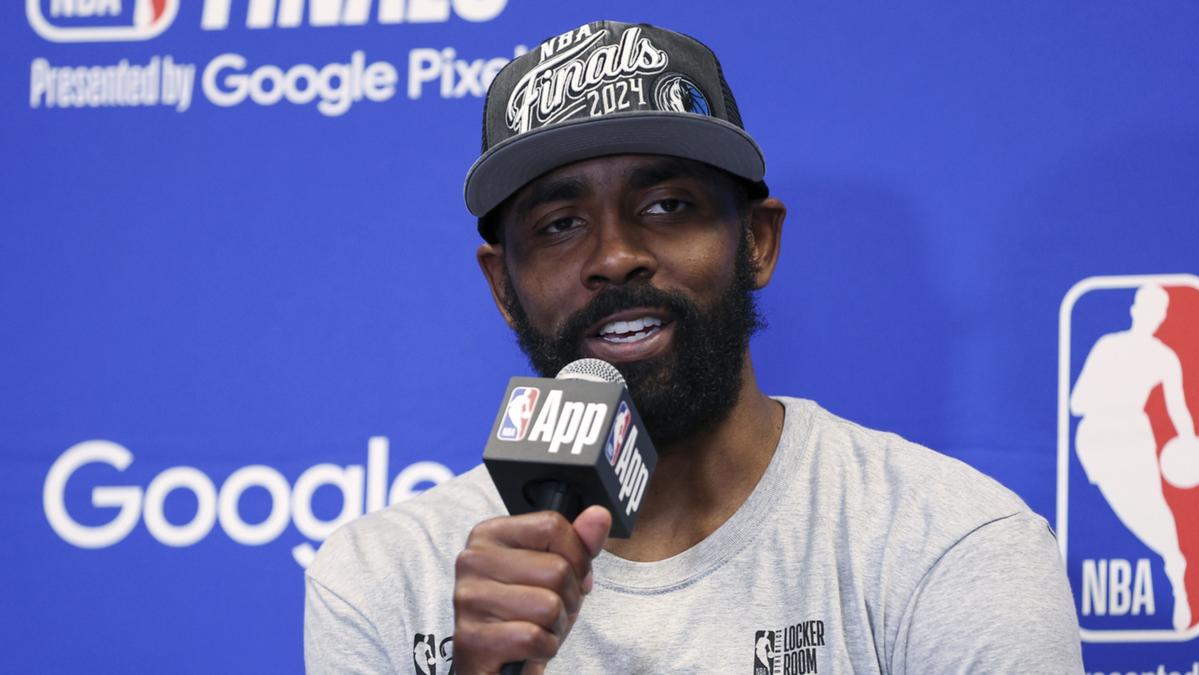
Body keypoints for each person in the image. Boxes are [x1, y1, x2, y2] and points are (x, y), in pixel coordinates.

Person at [305, 21, 1083, 673]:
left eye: (667, 205)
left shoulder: (946, 540)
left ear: (758, 242)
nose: (615, 255)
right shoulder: (384, 577)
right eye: (559, 224)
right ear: (502, 286)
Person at [1071, 283, 1195, 631]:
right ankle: (1174, 561)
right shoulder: (1107, 347)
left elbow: (1178, 409)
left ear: (1163, 317)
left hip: (1134, 437)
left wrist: (1189, 443)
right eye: (1149, 307)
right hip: (1096, 438)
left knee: (1153, 509)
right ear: (1135, 309)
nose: (1153, 316)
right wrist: (1109, 394)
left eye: (1160, 311)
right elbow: (1076, 403)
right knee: (1130, 511)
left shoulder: (1164, 358)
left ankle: (1177, 573)